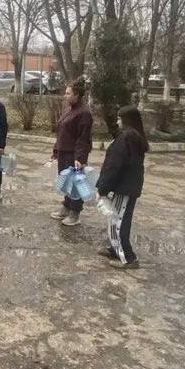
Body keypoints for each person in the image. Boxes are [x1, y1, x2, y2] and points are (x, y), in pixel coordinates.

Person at [96, 105, 147, 268]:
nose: (117, 121)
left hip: (125, 188)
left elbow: (114, 165)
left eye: (119, 118)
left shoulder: (126, 138)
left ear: (126, 120)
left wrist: (102, 187)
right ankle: (115, 249)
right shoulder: (134, 136)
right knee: (116, 217)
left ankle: (129, 258)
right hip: (126, 186)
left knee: (119, 221)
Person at [50, 80, 93, 226]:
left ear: (77, 95)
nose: (65, 96)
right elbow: (62, 132)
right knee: (66, 182)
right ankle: (66, 206)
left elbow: (83, 138)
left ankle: (75, 212)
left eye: (68, 93)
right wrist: (56, 151)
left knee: (76, 183)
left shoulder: (84, 113)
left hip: (73, 155)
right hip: (64, 152)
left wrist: (80, 158)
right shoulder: (70, 110)